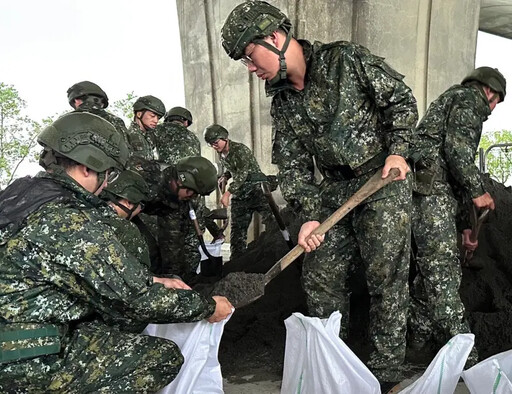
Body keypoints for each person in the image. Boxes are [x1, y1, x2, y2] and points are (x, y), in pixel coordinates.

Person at [221, 1, 418, 386]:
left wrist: (398, 149)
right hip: (333, 191)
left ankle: (386, 373)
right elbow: (292, 168)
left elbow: (400, 100)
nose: (250, 68)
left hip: (382, 180)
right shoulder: (282, 102)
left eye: (249, 56)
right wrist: (308, 214)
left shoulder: (344, 60)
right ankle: (336, 369)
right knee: (321, 275)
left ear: (274, 37)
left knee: (386, 276)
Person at [0, 112, 232, 392]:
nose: (108, 184)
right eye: (108, 174)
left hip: (20, 336)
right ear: (87, 167)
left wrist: (154, 281)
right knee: (161, 358)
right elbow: (136, 299)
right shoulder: (68, 220)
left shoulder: (21, 196)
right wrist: (207, 307)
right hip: (23, 359)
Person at [408, 67, 506, 359]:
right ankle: (466, 359)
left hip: (428, 193)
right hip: (429, 192)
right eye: (495, 102)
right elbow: (457, 152)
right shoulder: (469, 99)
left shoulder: (451, 100)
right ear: (489, 91)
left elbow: (451, 168)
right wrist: (478, 190)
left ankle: (415, 344)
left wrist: (465, 226)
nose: (491, 110)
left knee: (427, 277)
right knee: (443, 272)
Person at [137, 156, 219, 280]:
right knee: (143, 247)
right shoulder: (145, 177)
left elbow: (172, 244)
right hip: (116, 209)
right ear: (183, 181)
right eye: (193, 193)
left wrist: (176, 280)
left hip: (144, 210)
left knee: (160, 258)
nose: (193, 198)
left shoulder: (178, 203)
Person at [204, 123, 271, 259]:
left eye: (216, 142)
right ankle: (237, 262)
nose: (214, 146)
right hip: (241, 194)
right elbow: (233, 168)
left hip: (256, 190)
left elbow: (242, 173)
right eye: (211, 144)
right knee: (237, 230)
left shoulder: (240, 150)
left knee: (272, 222)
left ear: (225, 138)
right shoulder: (221, 154)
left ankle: (275, 254)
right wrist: (226, 176)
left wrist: (228, 193)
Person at [127, 95, 166, 160]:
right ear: (139, 114)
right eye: (152, 116)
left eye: (158, 118)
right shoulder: (129, 137)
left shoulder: (148, 137)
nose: (156, 121)